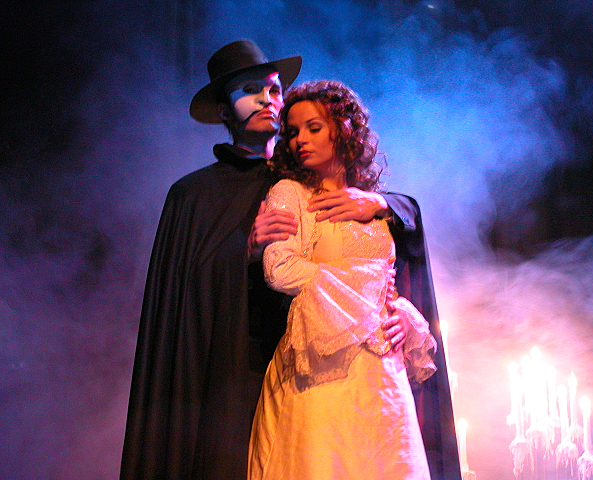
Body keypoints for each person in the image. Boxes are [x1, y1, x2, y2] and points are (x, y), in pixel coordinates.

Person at [119, 40, 412, 480]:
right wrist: (246, 249)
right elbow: (183, 293)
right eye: (249, 90)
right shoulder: (195, 194)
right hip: (234, 369)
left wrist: (384, 205)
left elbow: (379, 249)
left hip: (320, 372)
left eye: (274, 89)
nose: (266, 99)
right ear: (224, 110)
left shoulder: (314, 180)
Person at [247, 80, 445, 480]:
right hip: (320, 363)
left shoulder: (371, 201)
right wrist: (364, 301)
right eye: (293, 131)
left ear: (344, 129)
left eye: (314, 127)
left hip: (381, 372)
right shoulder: (291, 192)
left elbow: (387, 276)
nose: (301, 140)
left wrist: (400, 312)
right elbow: (279, 269)